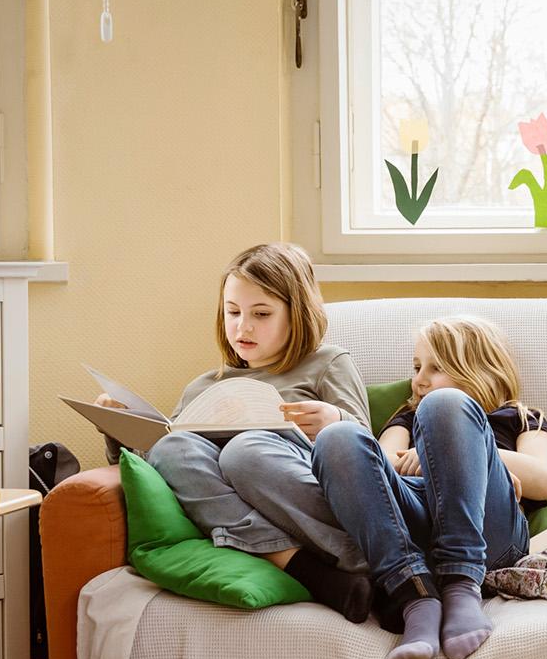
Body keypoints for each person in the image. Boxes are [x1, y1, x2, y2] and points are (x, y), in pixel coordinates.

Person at [96, 242, 375, 621]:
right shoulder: (203, 386)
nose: (243, 327)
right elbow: (165, 475)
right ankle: (293, 564)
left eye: (261, 314)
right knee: (173, 448)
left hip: (305, 494)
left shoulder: (326, 364)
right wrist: (118, 431)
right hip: (238, 508)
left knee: (246, 449)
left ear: (297, 315)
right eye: (232, 312)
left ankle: (346, 563)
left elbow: (366, 452)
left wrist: (333, 420)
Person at [311, 315, 547, 659]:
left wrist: (482, 455)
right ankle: (414, 593)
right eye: (416, 367)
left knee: (444, 405)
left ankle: (462, 585)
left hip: (490, 533)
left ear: (481, 370)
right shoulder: (407, 418)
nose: (419, 380)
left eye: (435, 367)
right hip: (415, 529)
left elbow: (546, 479)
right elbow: (378, 467)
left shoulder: (520, 418)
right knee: (336, 439)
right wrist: (427, 455)